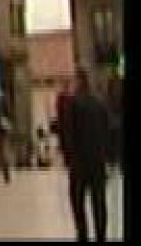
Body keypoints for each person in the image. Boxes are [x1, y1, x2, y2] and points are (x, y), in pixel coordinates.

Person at [61, 68, 113, 243]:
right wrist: (107, 157)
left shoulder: (73, 104)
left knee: (77, 200)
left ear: (78, 81)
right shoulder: (100, 103)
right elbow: (108, 131)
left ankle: (82, 233)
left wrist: (69, 158)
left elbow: (68, 133)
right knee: (99, 201)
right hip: (97, 161)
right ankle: (101, 234)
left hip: (79, 162)